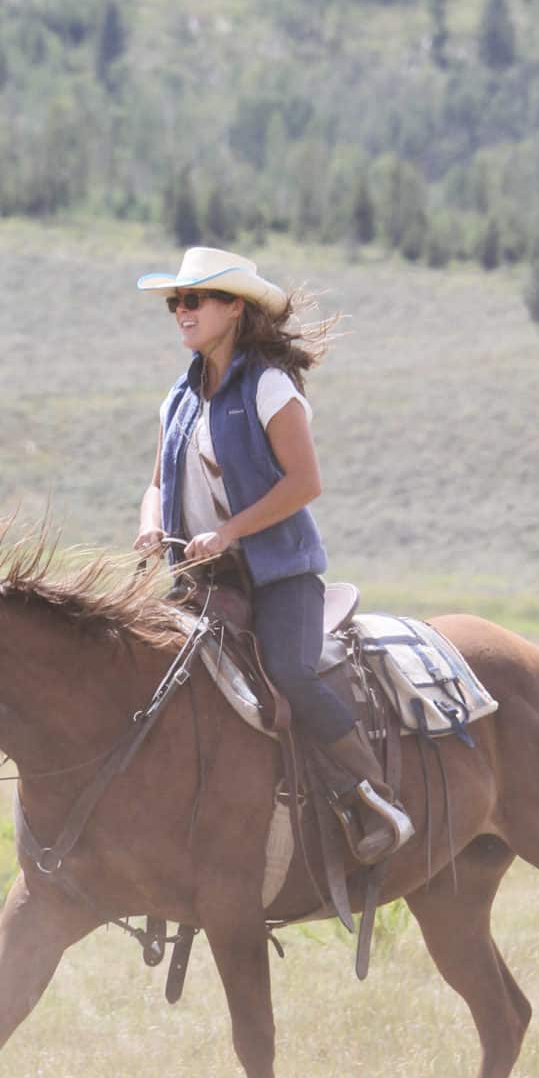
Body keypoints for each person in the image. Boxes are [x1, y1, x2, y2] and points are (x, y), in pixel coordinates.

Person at [133, 246, 412, 865]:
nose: (181, 310)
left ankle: (374, 800)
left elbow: (305, 483)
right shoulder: (176, 399)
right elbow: (156, 483)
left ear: (234, 308)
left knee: (290, 672)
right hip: (199, 580)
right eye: (176, 301)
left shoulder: (269, 386)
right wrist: (151, 526)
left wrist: (230, 533)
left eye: (194, 299)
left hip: (280, 576)